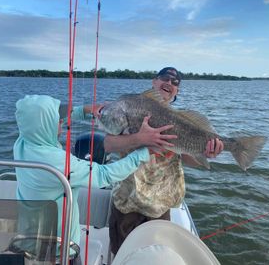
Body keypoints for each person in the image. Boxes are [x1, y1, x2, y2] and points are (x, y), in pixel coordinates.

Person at [13, 94, 175, 264]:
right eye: (56, 118)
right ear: (44, 124)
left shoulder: (23, 142)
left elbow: (59, 116)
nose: (62, 120)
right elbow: (104, 175)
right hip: (58, 248)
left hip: (29, 236)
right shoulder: (56, 162)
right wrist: (143, 151)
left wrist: (85, 111)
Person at [107, 67, 224, 256]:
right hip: (128, 201)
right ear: (154, 82)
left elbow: (188, 159)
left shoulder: (179, 122)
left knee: (157, 256)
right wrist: (140, 139)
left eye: (175, 82)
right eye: (164, 78)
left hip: (161, 205)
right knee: (123, 256)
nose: (169, 83)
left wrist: (206, 153)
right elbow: (108, 144)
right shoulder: (130, 107)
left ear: (177, 91)